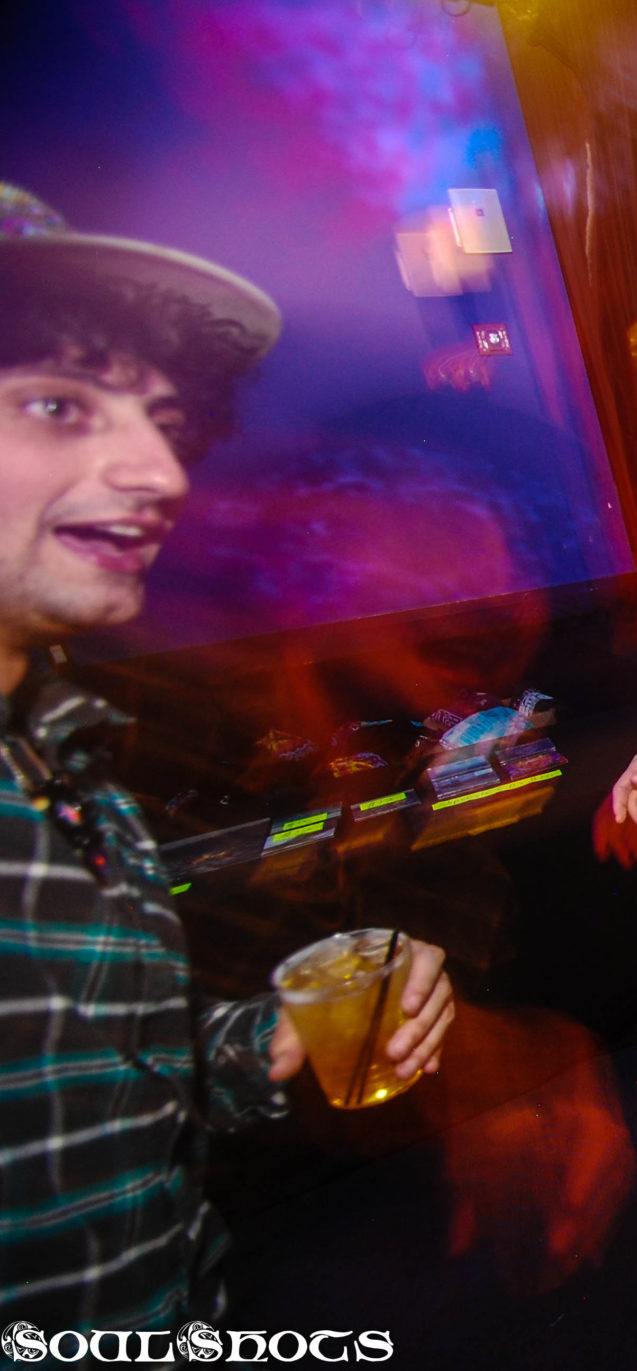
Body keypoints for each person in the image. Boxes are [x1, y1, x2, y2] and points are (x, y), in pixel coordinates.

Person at [0, 184, 456, 1333]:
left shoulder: (65, 762)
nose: (160, 472)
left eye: (161, 420)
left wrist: (273, 1036)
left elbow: (114, 1070)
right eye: (58, 405)